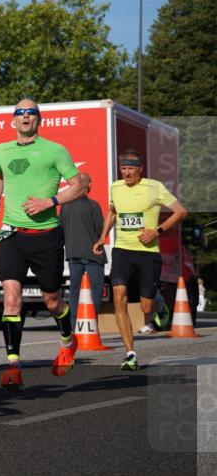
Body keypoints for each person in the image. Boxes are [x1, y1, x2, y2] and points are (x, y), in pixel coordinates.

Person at [0, 99, 90, 391]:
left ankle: (68, 340)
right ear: (13, 120)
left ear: (39, 119)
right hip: (12, 235)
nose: (25, 116)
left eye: (31, 112)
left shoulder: (54, 150)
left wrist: (50, 201)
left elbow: (79, 184)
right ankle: (13, 365)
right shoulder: (1, 150)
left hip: (46, 235)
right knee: (10, 299)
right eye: (20, 113)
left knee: (52, 301)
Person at [93, 149, 187, 371]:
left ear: (140, 169)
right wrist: (102, 237)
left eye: (130, 168)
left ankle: (159, 305)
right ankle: (130, 353)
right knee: (119, 296)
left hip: (148, 252)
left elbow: (181, 212)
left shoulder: (154, 187)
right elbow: (112, 212)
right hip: (122, 250)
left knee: (146, 308)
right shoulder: (115, 187)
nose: (126, 173)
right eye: (123, 168)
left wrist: (158, 230)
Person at [59, 173, 105, 329]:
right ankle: (91, 326)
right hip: (94, 255)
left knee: (75, 292)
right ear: (88, 186)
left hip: (73, 255)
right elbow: (100, 229)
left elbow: (62, 228)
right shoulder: (93, 205)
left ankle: (73, 328)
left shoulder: (65, 207)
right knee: (95, 291)